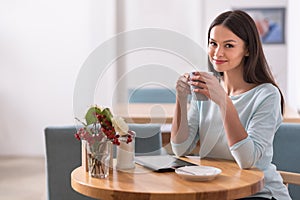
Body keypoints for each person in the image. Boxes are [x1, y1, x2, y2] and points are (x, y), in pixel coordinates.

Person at [171, 10, 291, 200]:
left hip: (259, 193)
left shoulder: (267, 94)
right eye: (213, 44)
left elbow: (246, 160)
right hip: (215, 190)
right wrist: (181, 99)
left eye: (229, 45)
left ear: (248, 49)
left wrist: (223, 101)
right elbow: (180, 149)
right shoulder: (205, 89)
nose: (218, 53)